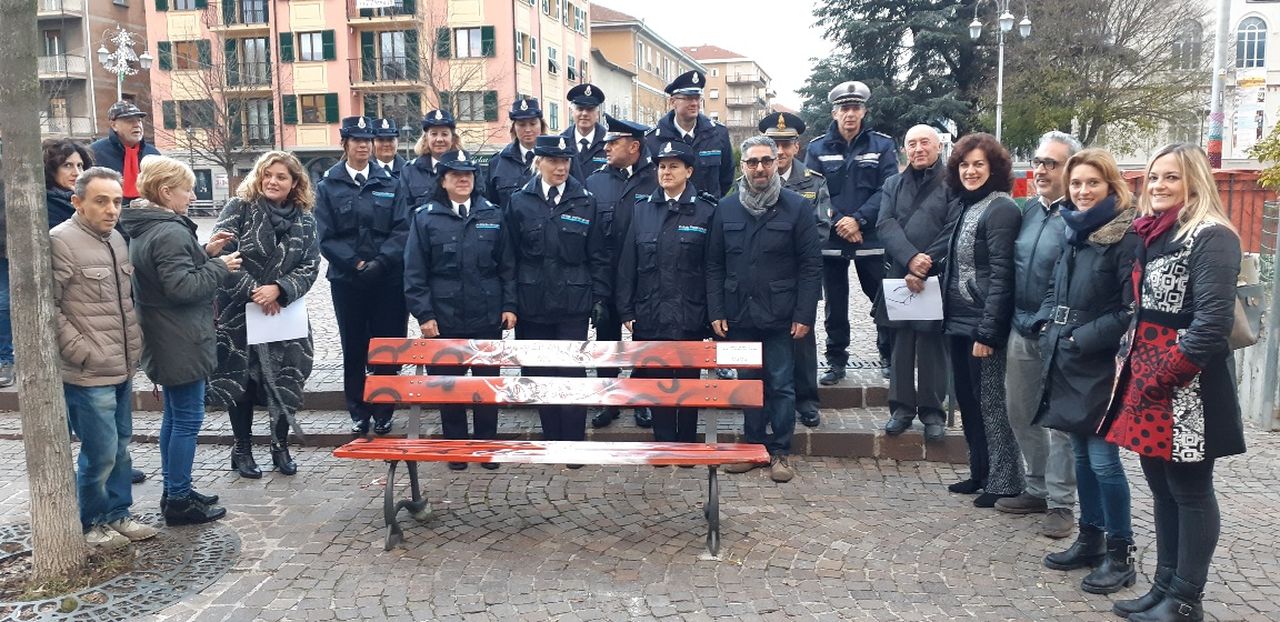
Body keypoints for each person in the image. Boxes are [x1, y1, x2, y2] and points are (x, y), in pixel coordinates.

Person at [1102, 143, 1245, 621]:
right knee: (1161, 487)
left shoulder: (1212, 235)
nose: (1159, 185)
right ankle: (1163, 586)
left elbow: (1211, 323)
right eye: (1155, 176)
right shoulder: (1157, 232)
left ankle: (1186, 598)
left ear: (1195, 183)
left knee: (1190, 489)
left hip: (1188, 387)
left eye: (1172, 178)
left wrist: (1163, 379)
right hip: (1147, 374)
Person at [1036, 148, 1139, 595]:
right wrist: (1047, 325)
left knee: (1103, 461)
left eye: (1091, 183)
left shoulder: (1124, 234)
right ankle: (1091, 539)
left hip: (1100, 361)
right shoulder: (1073, 230)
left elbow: (1129, 309)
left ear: (1111, 186)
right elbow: (1054, 285)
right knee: (1080, 455)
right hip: (1066, 356)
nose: (1081, 191)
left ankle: (1121, 553)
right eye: (1076, 183)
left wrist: (1081, 337)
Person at [120, 155, 240, 525]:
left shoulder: (149, 226)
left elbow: (168, 272)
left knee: (174, 416)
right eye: (187, 189)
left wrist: (204, 253)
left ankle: (177, 489)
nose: (192, 195)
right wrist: (220, 267)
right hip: (180, 337)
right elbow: (182, 287)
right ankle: (177, 500)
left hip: (166, 333)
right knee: (187, 418)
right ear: (166, 190)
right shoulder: (169, 230)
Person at [50, 166, 156, 548]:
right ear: (77, 202)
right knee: (99, 454)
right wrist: (82, 352)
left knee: (121, 448)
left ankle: (118, 514)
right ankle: (92, 522)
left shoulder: (116, 240)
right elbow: (50, 307)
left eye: (116, 201)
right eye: (101, 201)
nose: (112, 209)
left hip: (122, 365)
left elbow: (124, 300)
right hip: (87, 372)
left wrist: (135, 342)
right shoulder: (61, 241)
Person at [712, 136, 822, 483]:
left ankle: (780, 452)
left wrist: (804, 314)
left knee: (781, 384)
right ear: (742, 167)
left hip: (781, 314)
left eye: (766, 161)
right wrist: (717, 309)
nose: (759, 168)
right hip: (740, 313)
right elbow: (713, 264)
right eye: (752, 162)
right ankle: (753, 447)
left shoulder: (796, 207)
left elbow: (810, 265)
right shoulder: (726, 208)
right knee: (747, 384)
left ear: (777, 162)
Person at [207, 151, 319, 479]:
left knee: (287, 377)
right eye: (267, 174)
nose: (273, 181)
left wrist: (280, 289)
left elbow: (311, 264)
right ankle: (241, 448)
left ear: (294, 183)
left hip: (284, 312)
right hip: (239, 310)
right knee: (239, 379)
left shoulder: (305, 218)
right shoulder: (238, 209)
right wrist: (257, 291)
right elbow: (223, 253)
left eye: (281, 177)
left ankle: (279, 445)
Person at [404, 151, 515, 470]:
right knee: (449, 386)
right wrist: (424, 315)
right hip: (444, 316)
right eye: (456, 175)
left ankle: (485, 446)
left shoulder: (493, 213)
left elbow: (507, 265)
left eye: (468, 174)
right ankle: (456, 447)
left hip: (486, 314)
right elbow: (414, 272)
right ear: (443, 180)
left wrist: (509, 305)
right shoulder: (425, 217)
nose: (464, 179)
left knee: (485, 384)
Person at [998, 131, 1082, 537]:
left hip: (1061, 333)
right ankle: (1036, 486)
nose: (1041, 170)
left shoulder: (1080, 217)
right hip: (1021, 326)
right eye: (1038, 161)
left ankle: (1062, 503)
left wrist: (1055, 320)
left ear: (1072, 168)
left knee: (1061, 421)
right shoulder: (1029, 211)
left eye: (1052, 163)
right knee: (1021, 411)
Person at [505, 135, 610, 452]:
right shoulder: (519, 201)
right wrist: (509, 303)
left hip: (572, 304)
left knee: (571, 374)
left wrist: (599, 298)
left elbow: (598, 256)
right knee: (540, 374)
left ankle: (574, 442)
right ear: (539, 162)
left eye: (565, 160)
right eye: (553, 160)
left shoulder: (585, 201)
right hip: (532, 302)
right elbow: (509, 257)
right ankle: (551, 439)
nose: (561, 166)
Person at [940, 133, 1024, 508]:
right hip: (958, 320)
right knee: (969, 401)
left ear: (994, 169)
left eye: (978, 164)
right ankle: (980, 471)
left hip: (982, 324)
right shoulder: (965, 204)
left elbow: (1003, 275)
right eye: (964, 165)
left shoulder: (1001, 209)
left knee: (992, 403)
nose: (970, 171)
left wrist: (989, 330)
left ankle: (1005, 481)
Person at [315, 116, 410, 438]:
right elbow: (325, 236)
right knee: (354, 348)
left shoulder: (392, 183)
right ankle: (358, 410)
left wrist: (381, 262)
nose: (363, 146)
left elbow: (402, 229)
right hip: (348, 281)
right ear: (345, 144)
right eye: (356, 140)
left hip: (387, 280)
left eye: (367, 141)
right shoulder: (328, 186)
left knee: (387, 347)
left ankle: (384, 411)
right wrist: (356, 264)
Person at [616, 141, 716, 445]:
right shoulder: (642, 209)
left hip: (690, 314)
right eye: (661, 166)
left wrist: (713, 314)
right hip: (650, 313)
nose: (666, 172)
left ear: (689, 171)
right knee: (658, 384)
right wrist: (627, 311)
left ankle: (686, 443)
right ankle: (663, 443)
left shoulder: (707, 211)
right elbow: (627, 265)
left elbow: (713, 267)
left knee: (688, 384)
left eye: (673, 166)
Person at [804, 81, 898, 383]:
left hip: (870, 236)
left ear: (864, 111)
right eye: (844, 108)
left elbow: (888, 189)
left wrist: (857, 220)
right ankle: (836, 360)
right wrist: (840, 223)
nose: (850, 114)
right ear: (834, 113)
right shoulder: (817, 148)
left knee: (881, 297)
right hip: (832, 238)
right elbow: (814, 192)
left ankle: (888, 354)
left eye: (855, 108)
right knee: (836, 302)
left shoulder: (882, 145)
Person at [874, 125, 957, 442]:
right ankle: (901, 408)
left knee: (932, 347)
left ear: (937, 147)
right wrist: (910, 259)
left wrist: (925, 262)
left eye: (925, 142)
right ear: (904, 150)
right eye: (912, 144)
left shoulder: (952, 184)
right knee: (901, 345)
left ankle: (933, 412)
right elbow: (885, 223)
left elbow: (953, 226)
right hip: (900, 271)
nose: (918, 148)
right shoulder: (892, 184)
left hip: (935, 273)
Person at [760, 112, 832, 428]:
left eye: (786, 144)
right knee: (766, 341)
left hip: (800, 276)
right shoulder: (751, 182)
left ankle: (806, 400)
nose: (780, 150)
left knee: (802, 340)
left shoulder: (814, 182)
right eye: (773, 144)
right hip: (765, 279)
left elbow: (822, 228)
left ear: (796, 146)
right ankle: (764, 400)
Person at [586, 117, 658, 429]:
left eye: (613, 143)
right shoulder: (595, 181)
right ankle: (609, 399)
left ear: (634, 146)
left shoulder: (656, 179)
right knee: (607, 343)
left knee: (643, 341)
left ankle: (642, 400)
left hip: (645, 278)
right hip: (606, 277)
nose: (605, 147)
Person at [645, 70, 735, 198]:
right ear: (672, 102)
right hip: (669, 213)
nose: (694, 103)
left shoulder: (718, 134)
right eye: (688, 98)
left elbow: (726, 177)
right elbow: (651, 181)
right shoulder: (654, 139)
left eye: (697, 98)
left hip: (708, 213)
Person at [89, 100, 161, 205]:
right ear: (114, 125)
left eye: (139, 120)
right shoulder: (95, 153)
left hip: (148, 215)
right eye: (129, 121)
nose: (137, 125)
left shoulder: (153, 154)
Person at [399, 109, 465, 211]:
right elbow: (403, 211)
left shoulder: (467, 170)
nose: (439, 139)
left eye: (444, 134)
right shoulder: (410, 171)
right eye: (434, 134)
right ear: (426, 138)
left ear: (453, 139)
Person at [487, 97, 545, 208]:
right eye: (522, 125)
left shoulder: (554, 159)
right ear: (514, 127)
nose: (527, 129)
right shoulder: (497, 162)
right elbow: (491, 206)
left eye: (533, 124)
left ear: (541, 125)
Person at [562, 83, 608, 182]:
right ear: (572, 112)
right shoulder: (562, 142)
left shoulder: (609, 142)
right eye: (580, 109)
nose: (584, 113)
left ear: (598, 114)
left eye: (590, 109)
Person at [44, 138, 94, 229]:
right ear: (51, 169)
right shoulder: (46, 204)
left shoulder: (88, 195)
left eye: (79, 165)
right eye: (67, 165)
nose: (77, 173)